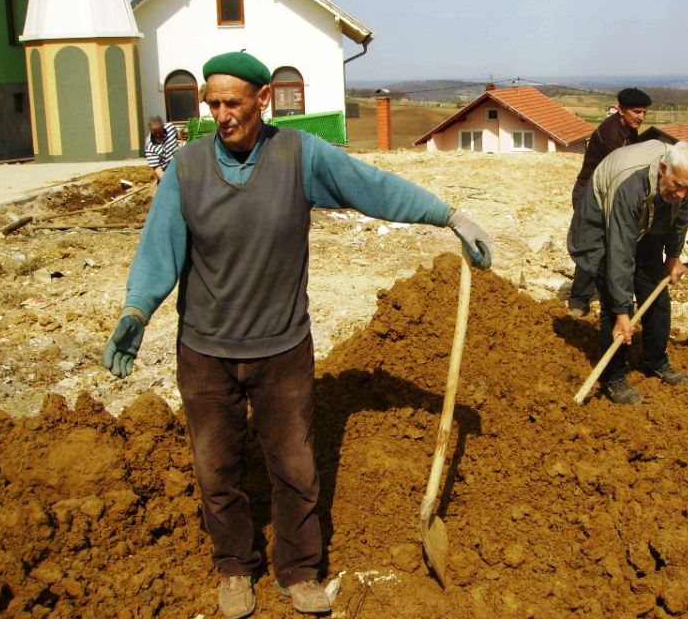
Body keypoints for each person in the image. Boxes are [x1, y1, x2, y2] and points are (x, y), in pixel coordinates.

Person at [101, 51, 493, 619]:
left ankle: (299, 570)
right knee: (216, 469)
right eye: (213, 103)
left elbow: (371, 186)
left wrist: (449, 215)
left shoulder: (298, 156)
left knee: (296, 467)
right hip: (205, 352)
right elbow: (159, 250)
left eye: (232, 102)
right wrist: (136, 312)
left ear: (263, 100)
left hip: (282, 349)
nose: (221, 114)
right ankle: (235, 567)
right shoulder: (186, 168)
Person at [568, 139, 688, 404]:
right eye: (678, 186)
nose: (681, 194)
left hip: (647, 216)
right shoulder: (630, 186)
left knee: (656, 291)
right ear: (664, 168)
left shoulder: (681, 182)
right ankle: (614, 377)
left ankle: (655, 361)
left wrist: (674, 255)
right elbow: (619, 254)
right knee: (614, 300)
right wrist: (622, 311)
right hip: (601, 224)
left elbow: (680, 217)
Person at [567, 87, 652, 318]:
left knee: (612, 244)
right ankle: (578, 300)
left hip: (609, 191)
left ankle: (613, 291)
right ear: (621, 110)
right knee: (593, 245)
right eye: (636, 112)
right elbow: (620, 171)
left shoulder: (630, 131)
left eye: (644, 113)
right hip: (590, 194)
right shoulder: (610, 134)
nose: (640, 117)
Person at [144, 116, 180, 182]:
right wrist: (168, 181)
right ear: (150, 129)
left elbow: (179, 135)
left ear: (163, 126)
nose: (158, 134)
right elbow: (158, 170)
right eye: (155, 132)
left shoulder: (170, 127)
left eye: (159, 131)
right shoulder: (149, 146)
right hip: (167, 172)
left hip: (180, 165)